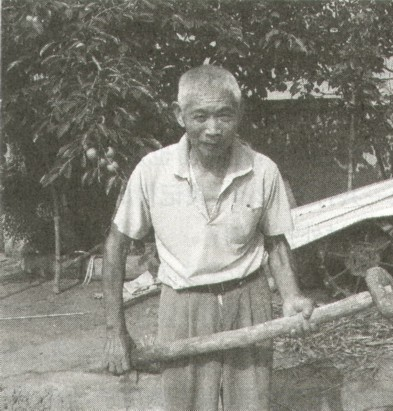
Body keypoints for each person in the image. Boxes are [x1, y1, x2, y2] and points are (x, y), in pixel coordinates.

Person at [102, 65, 315, 410]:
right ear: (179, 115)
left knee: (251, 405)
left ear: (239, 114)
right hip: (182, 307)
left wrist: (291, 296)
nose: (213, 129)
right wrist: (116, 331)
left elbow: (276, 242)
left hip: (248, 303)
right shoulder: (153, 171)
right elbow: (116, 245)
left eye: (224, 116)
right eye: (200, 116)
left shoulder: (262, 170)